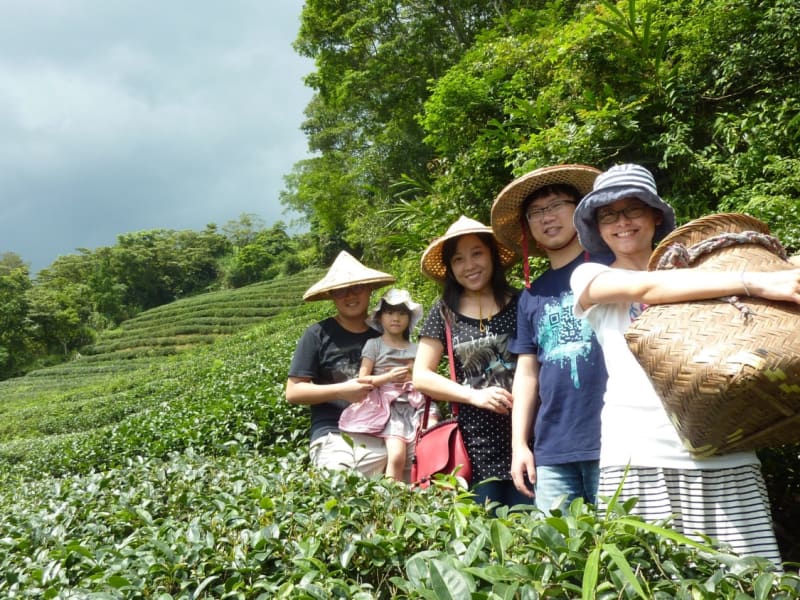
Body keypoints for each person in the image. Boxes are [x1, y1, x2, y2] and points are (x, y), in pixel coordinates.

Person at [570, 163, 799, 566]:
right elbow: (647, 287)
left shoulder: (707, 276)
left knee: (750, 581)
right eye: (609, 214)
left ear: (655, 216)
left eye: (633, 210)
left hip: (725, 447)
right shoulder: (590, 276)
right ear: (597, 227)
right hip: (639, 453)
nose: (622, 222)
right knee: (650, 582)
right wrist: (754, 282)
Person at [490, 164, 611, 513]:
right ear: (528, 227)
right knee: (557, 558)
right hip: (553, 448)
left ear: (580, 210)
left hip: (615, 438)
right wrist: (519, 445)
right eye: (537, 212)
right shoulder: (531, 296)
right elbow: (526, 374)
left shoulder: (610, 271)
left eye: (557, 205)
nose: (548, 217)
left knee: (625, 552)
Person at [412, 215, 534, 509]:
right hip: (473, 448)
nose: (469, 265)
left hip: (531, 438)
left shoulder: (522, 302)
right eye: (458, 259)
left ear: (492, 254)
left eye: (477, 253)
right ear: (451, 269)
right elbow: (421, 375)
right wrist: (473, 396)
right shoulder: (444, 312)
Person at [286, 250, 396, 476]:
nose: (349, 295)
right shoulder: (317, 335)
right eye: (340, 290)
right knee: (341, 480)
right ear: (332, 296)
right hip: (334, 433)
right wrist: (342, 391)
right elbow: (293, 391)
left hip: (383, 431)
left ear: (369, 289)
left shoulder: (386, 334)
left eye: (356, 287)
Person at [339, 288, 439, 481]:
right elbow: (363, 380)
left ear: (409, 319)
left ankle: (424, 495)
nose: (396, 318)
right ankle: (391, 502)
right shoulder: (374, 345)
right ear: (380, 317)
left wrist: (411, 375)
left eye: (402, 313)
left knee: (430, 445)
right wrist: (388, 377)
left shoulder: (417, 348)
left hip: (417, 403)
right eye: (390, 312)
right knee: (396, 457)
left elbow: (427, 376)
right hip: (391, 408)